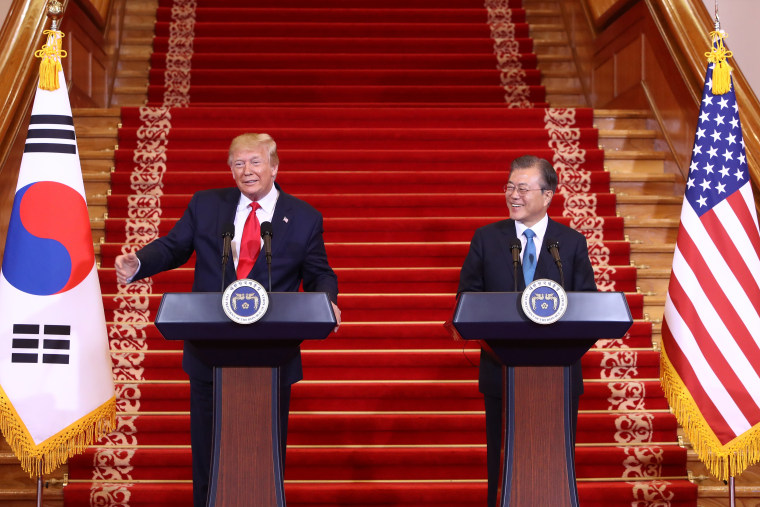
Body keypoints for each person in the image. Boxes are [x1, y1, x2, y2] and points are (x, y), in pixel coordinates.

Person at [115, 133, 340, 507]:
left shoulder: (303, 217)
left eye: (254, 162)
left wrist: (327, 302)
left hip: (272, 353)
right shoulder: (207, 205)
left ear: (274, 166)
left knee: (263, 450)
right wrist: (139, 262)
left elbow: (319, 273)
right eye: (238, 163)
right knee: (209, 451)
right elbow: (174, 247)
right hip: (210, 352)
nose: (246, 171)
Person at [457, 155, 596, 506]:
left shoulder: (571, 242)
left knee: (554, 461)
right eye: (509, 187)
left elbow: (589, 305)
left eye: (522, 188)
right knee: (502, 461)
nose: (513, 195)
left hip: (559, 375)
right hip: (500, 371)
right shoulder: (487, 239)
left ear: (548, 195)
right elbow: (466, 299)